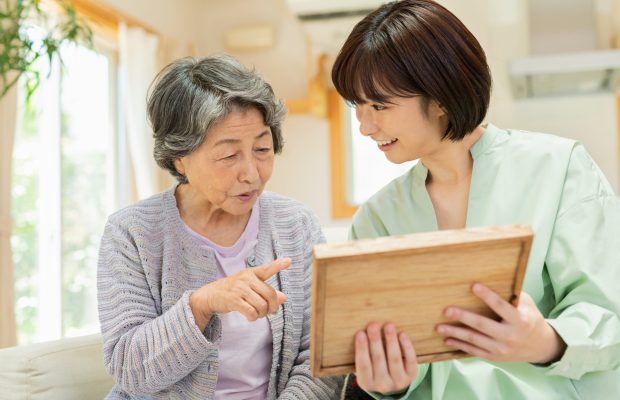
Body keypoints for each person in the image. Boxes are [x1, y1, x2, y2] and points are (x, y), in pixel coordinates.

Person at [331, 1, 620, 399]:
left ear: (440, 97)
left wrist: (546, 341)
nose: (364, 126)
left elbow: (609, 318)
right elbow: (393, 358)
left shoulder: (560, 168)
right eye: (356, 107)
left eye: (379, 105)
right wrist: (391, 384)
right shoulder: (377, 219)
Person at [97, 54, 343, 399]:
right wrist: (201, 304)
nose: (252, 174)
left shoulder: (296, 224)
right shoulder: (132, 232)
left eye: (262, 148)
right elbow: (131, 371)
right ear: (180, 158)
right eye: (229, 156)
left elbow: (319, 356)